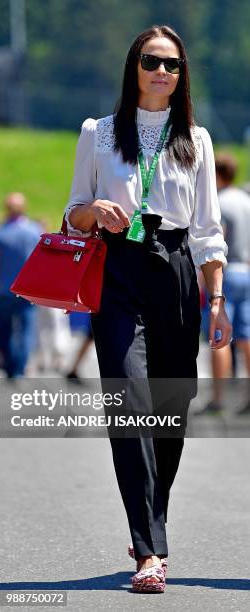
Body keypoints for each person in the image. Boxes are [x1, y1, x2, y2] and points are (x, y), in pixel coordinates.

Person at [64, 25, 231, 593]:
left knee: (171, 405)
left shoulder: (197, 140)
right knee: (131, 400)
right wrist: (95, 211)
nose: (162, 71)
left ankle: (150, 520)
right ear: (133, 65)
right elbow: (72, 215)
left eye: (173, 64)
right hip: (118, 270)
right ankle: (148, 548)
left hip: (178, 271)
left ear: (182, 75)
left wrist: (216, 300)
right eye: (152, 60)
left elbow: (209, 229)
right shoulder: (99, 133)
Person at [200, 153, 250, 415]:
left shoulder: (219, 203)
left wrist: (204, 282)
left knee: (219, 336)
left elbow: (215, 243)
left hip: (227, 273)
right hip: (247, 271)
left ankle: (218, 399)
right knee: (246, 337)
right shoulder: (246, 200)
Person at [0, 192, 40, 378]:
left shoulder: (1, 233)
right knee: (26, 330)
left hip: (3, 289)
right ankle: (20, 368)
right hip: (27, 289)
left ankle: (9, 364)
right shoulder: (35, 231)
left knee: (4, 330)